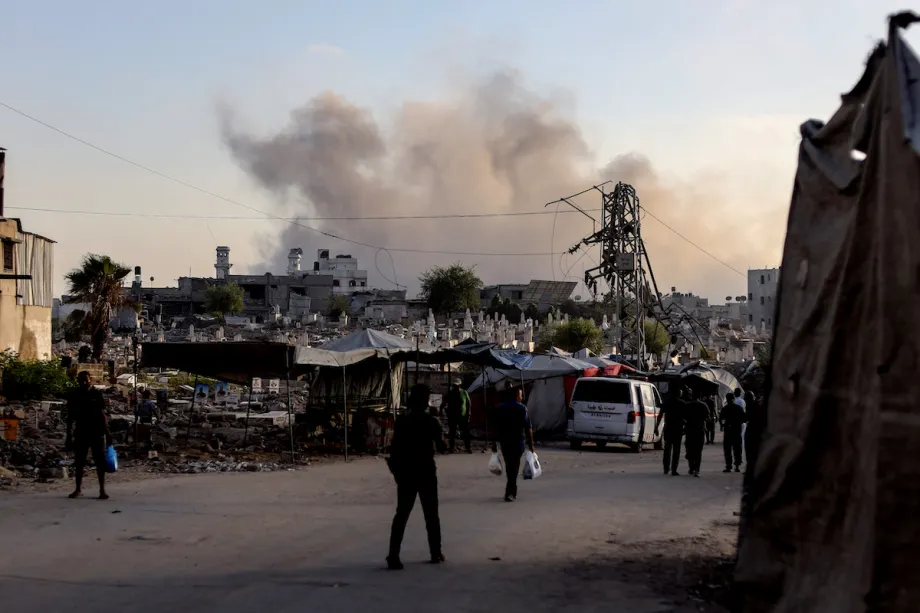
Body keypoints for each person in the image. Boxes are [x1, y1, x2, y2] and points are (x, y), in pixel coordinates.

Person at [386, 384, 446, 571]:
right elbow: (442, 447)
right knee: (431, 514)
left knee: (401, 514)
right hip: (426, 471)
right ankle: (435, 552)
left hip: (406, 472)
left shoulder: (403, 420)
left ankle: (393, 554)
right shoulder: (431, 421)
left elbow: (394, 445)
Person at [64, 371, 112, 500]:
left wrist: (107, 433)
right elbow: (70, 417)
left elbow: (102, 415)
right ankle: (78, 488)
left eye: (86, 380)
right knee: (79, 461)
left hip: (96, 431)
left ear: (91, 380)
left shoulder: (96, 394)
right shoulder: (74, 395)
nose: (84, 383)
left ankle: (102, 490)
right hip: (81, 431)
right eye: (81, 380)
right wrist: (68, 436)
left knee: (99, 461)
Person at [491, 386, 535, 502]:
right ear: (516, 396)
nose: (521, 397)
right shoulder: (522, 408)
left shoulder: (499, 408)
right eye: (520, 395)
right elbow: (528, 428)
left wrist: (493, 443)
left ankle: (510, 490)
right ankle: (510, 492)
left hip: (504, 441)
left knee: (509, 465)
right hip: (517, 441)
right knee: (514, 467)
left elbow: (494, 428)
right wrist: (531, 445)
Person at [655, 388, 686, 476]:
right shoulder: (682, 403)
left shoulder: (667, 403)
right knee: (676, 450)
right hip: (678, 429)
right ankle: (674, 469)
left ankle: (666, 468)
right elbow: (685, 417)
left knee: (667, 449)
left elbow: (660, 415)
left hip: (669, 428)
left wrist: (656, 427)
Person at [683, 391, 709, 477]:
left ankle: (691, 468)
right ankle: (697, 469)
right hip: (700, 430)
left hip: (690, 430)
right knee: (698, 451)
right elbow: (708, 418)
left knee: (690, 449)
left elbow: (683, 417)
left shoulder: (687, 405)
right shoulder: (703, 405)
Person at [443, 378, 472, 454]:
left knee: (466, 432)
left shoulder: (464, 392)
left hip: (463, 415)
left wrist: (469, 414)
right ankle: (451, 448)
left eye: (456, 385)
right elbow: (445, 401)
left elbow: (468, 403)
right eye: (454, 385)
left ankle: (468, 447)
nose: (455, 387)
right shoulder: (451, 393)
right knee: (452, 432)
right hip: (453, 415)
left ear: (459, 385)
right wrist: (442, 409)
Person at [720, 392, 746, 472]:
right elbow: (744, 419)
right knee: (737, 449)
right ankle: (737, 466)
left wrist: (723, 425)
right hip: (737, 430)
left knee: (727, 449)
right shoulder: (739, 408)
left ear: (727, 400)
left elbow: (721, 419)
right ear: (733, 399)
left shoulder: (725, 408)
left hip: (728, 431)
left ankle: (728, 466)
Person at [743, 391, 765, 475]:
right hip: (757, 431)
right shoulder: (757, 406)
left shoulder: (753, 406)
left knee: (750, 451)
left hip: (753, 431)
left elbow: (746, 418)